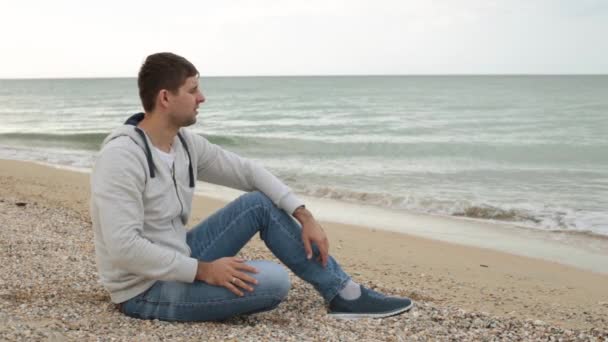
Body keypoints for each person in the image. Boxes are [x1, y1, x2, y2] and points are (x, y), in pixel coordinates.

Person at [90, 52, 413, 321]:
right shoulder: (122, 157)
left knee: (259, 203)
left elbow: (248, 172)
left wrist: (303, 214)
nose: (202, 98)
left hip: (178, 257)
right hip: (143, 289)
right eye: (192, 90)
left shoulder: (184, 145)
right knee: (274, 283)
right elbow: (124, 248)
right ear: (165, 98)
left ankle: (345, 293)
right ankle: (340, 294)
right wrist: (202, 270)